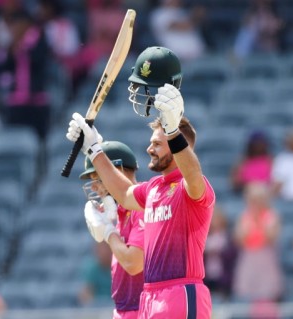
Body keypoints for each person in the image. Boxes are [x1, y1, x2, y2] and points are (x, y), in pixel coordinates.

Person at [66, 46, 215, 318]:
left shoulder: (191, 186)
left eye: (157, 143)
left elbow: (193, 173)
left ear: (175, 144)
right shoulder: (154, 189)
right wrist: (94, 149)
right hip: (150, 295)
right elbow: (123, 194)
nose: (149, 149)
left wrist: (172, 132)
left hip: (181, 292)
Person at [79, 140, 144, 319]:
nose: (94, 188)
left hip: (144, 311)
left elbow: (133, 263)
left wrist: (108, 233)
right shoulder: (121, 214)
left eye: (98, 178)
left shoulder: (142, 207)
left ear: (119, 172)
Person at [0, 10, 51, 140]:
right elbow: (5, 67)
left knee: (40, 139)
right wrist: (12, 49)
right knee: (15, 138)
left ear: (26, 24)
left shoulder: (39, 40)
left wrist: (22, 49)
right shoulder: (12, 44)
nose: (15, 28)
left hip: (36, 100)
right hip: (17, 100)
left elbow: (39, 61)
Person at [232, 182, 282, 302]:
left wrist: (258, 221)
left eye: (257, 199)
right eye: (252, 199)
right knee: (246, 296)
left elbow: (271, 237)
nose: (254, 203)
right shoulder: (244, 216)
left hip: (265, 257)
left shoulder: (271, 216)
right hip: (249, 257)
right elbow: (239, 239)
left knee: (267, 295)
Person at [204, 206, 236, 300]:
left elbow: (232, 254)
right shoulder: (204, 235)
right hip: (207, 276)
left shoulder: (228, 236)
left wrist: (220, 251)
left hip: (223, 277)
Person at [78, 242, 113, 306]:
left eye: (107, 247)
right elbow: (85, 293)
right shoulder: (92, 268)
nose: (105, 252)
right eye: (101, 248)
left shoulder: (120, 267)